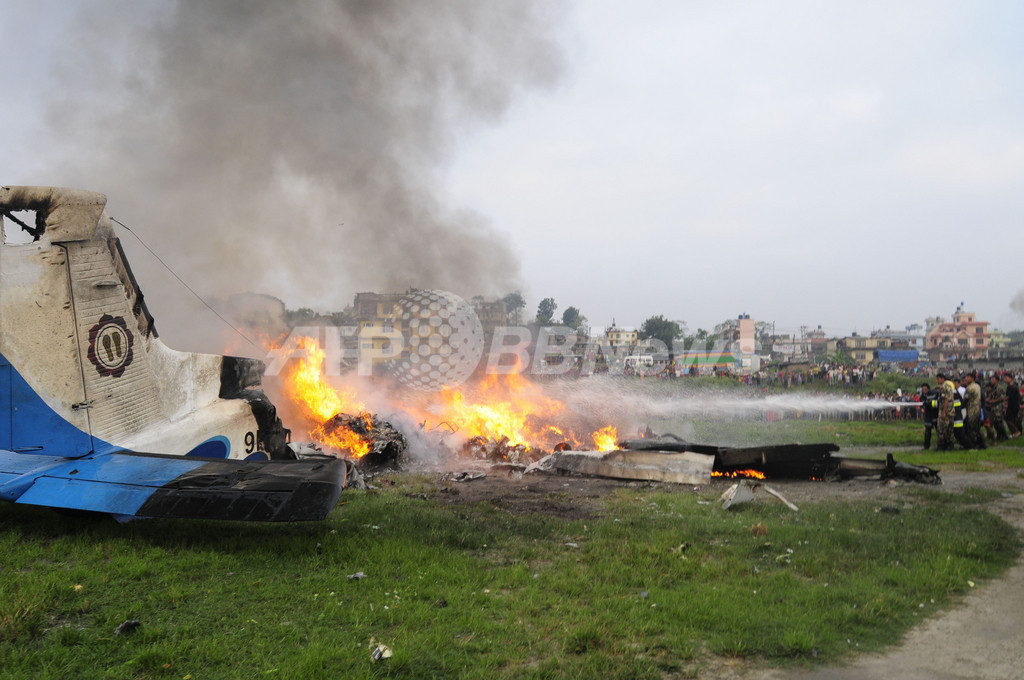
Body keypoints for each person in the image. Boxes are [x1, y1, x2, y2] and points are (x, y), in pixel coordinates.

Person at [962, 372, 985, 449]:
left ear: (972, 378)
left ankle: (972, 445)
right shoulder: (977, 386)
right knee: (976, 428)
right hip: (977, 408)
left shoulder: (970, 388)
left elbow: (965, 399)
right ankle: (982, 444)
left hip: (972, 409)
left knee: (971, 428)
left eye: (968, 377)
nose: (966, 378)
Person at [935, 373, 957, 451]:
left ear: (942, 379)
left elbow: (945, 399)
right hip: (951, 411)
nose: (937, 380)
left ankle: (941, 446)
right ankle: (950, 446)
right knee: (949, 430)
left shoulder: (944, 387)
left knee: (941, 429)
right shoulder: (949, 386)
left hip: (945, 411)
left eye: (938, 379)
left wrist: (943, 412)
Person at [987, 374, 1009, 442]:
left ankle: (1004, 435)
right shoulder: (994, 388)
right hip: (994, 407)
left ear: (997, 380)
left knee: (999, 422)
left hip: (998, 407)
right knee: (996, 423)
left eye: (993, 379)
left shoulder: (999, 388)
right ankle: (999, 435)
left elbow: (1001, 398)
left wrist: (992, 401)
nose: (991, 380)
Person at [920, 382, 938, 450]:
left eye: (925, 389)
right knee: (927, 431)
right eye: (923, 390)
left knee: (938, 430)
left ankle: (940, 445)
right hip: (928, 415)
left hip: (935, 414)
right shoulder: (922, 395)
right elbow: (922, 403)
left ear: (928, 389)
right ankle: (926, 446)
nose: (924, 391)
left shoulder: (934, 393)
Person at [1004, 374, 1021, 438]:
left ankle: (1016, 431)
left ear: (1010, 378)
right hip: (1010, 405)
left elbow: (1008, 397)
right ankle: (1013, 433)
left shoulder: (1014, 387)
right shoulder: (1008, 387)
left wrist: (1001, 399)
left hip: (1014, 406)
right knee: (1007, 419)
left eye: (1006, 378)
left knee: (1009, 419)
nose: (1004, 379)